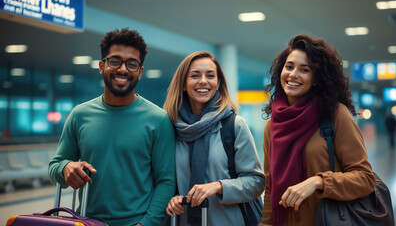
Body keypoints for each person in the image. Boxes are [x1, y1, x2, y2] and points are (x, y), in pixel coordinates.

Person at [48, 28, 176, 226]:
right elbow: (54, 166)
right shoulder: (79, 115)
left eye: (132, 64)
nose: (123, 69)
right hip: (89, 222)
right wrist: (66, 167)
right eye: (115, 61)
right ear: (101, 66)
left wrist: (147, 223)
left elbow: (166, 181)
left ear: (140, 72)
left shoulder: (158, 120)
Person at [259, 35, 376, 225]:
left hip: (326, 220)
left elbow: (365, 179)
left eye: (304, 70)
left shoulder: (336, 115)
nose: (293, 75)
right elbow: (270, 185)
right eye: (289, 67)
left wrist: (319, 182)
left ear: (316, 79)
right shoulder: (271, 126)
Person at [163, 51, 265, 225]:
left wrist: (218, 186)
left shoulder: (234, 125)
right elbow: (165, 180)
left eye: (210, 75)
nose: (203, 81)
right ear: (183, 84)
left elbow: (256, 181)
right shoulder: (170, 128)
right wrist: (172, 198)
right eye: (195, 75)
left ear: (218, 83)